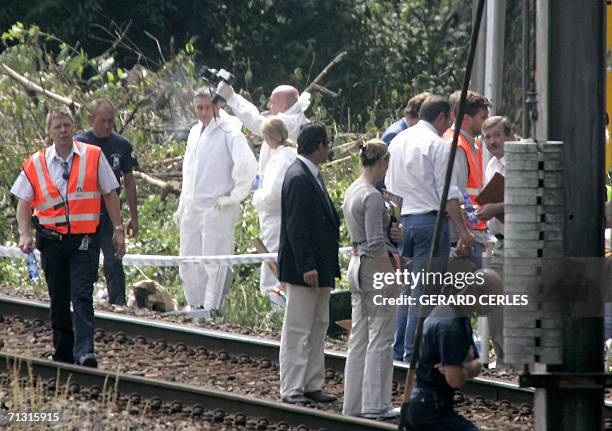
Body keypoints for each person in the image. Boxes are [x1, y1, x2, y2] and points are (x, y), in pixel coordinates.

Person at [11, 105, 125, 367]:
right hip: (51, 241)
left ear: (74, 128)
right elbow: (24, 202)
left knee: (82, 295)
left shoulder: (94, 156)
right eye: (58, 127)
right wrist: (25, 233)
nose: (63, 131)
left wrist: (118, 230)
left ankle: (85, 352)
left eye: (67, 126)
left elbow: (110, 194)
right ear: (49, 131)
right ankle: (63, 352)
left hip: (85, 240)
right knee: (59, 297)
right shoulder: (36, 163)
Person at [385, 95, 474, 363]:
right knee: (425, 290)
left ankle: (399, 349)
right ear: (441, 117)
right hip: (429, 223)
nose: (449, 126)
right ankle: (414, 353)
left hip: (403, 222)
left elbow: (389, 186)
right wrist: (463, 231)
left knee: (407, 289)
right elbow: (448, 194)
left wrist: (393, 223)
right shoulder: (437, 145)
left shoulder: (398, 140)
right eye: (448, 120)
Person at [174, 88, 257, 318]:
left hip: (216, 207)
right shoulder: (193, 132)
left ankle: (213, 309)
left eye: (206, 107)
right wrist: (183, 202)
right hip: (193, 206)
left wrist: (234, 197)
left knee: (215, 260)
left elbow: (248, 167)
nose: (202, 112)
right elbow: (189, 171)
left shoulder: (230, 132)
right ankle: (195, 306)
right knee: (188, 259)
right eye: (198, 107)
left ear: (217, 107)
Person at [278, 122, 340, 405]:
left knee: (318, 324)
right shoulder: (299, 177)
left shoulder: (310, 175)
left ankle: (313, 383)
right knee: (298, 328)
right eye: (326, 144)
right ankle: (291, 388)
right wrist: (307, 264)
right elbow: (296, 226)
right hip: (306, 269)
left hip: (320, 266)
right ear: (320, 147)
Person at [342, 139, 404, 418]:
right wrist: (390, 274)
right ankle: (376, 404)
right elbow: (377, 242)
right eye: (387, 164)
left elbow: (368, 235)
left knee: (359, 336)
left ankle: (353, 403)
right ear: (382, 162)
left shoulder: (352, 190)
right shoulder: (373, 196)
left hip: (356, 263)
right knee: (381, 335)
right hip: (374, 266)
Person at [407, 269, 503, 431]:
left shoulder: (458, 314)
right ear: (473, 293)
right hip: (430, 411)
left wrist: (463, 368)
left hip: (432, 406)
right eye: (492, 299)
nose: (495, 305)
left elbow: (477, 364)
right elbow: (455, 379)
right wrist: (464, 369)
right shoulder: (450, 327)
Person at [75, 99, 138, 306]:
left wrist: (133, 217)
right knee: (84, 261)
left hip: (111, 214)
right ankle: (80, 301)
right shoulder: (78, 144)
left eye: (111, 121)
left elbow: (129, 182)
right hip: (84, 215)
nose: (107, 126)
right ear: (90, 119)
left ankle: (118, 304)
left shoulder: (122, 145)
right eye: (102, 121)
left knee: (114, 260)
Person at [475, 115, 515, 367]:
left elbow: (528, 202)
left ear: (509, 136)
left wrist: (494, 207)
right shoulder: (491, 165)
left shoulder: (517, 164)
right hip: (496, 240)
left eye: (496, 136)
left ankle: (515, 359)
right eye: (487, 137)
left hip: (518, 241)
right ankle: (502, 358)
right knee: (492, 301)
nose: (492, 142)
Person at [216, 81, 310, 176]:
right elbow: (255, 116)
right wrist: (232, 98)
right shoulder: (291, 117)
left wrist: (232, 98)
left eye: (272, 102)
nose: (268, 105)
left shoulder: (292, 122)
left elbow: (257, 123)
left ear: (284, 106)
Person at [252, 117, 298, 308]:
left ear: (269, 138)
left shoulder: (281, 159)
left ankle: (276, 312)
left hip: (277, 223)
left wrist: (257, 196)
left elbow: (274, 195)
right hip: (279, 222)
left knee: (273, 270)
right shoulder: (287, 155)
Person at [443, 90, 491, 269]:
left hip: (472, 229)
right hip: (466, 233)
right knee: (465, 293)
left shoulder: (472, 144)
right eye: (482, 117)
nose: (486, 122)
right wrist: (464, 233)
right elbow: (456, 194)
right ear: (465, 118)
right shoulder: (457, 146)